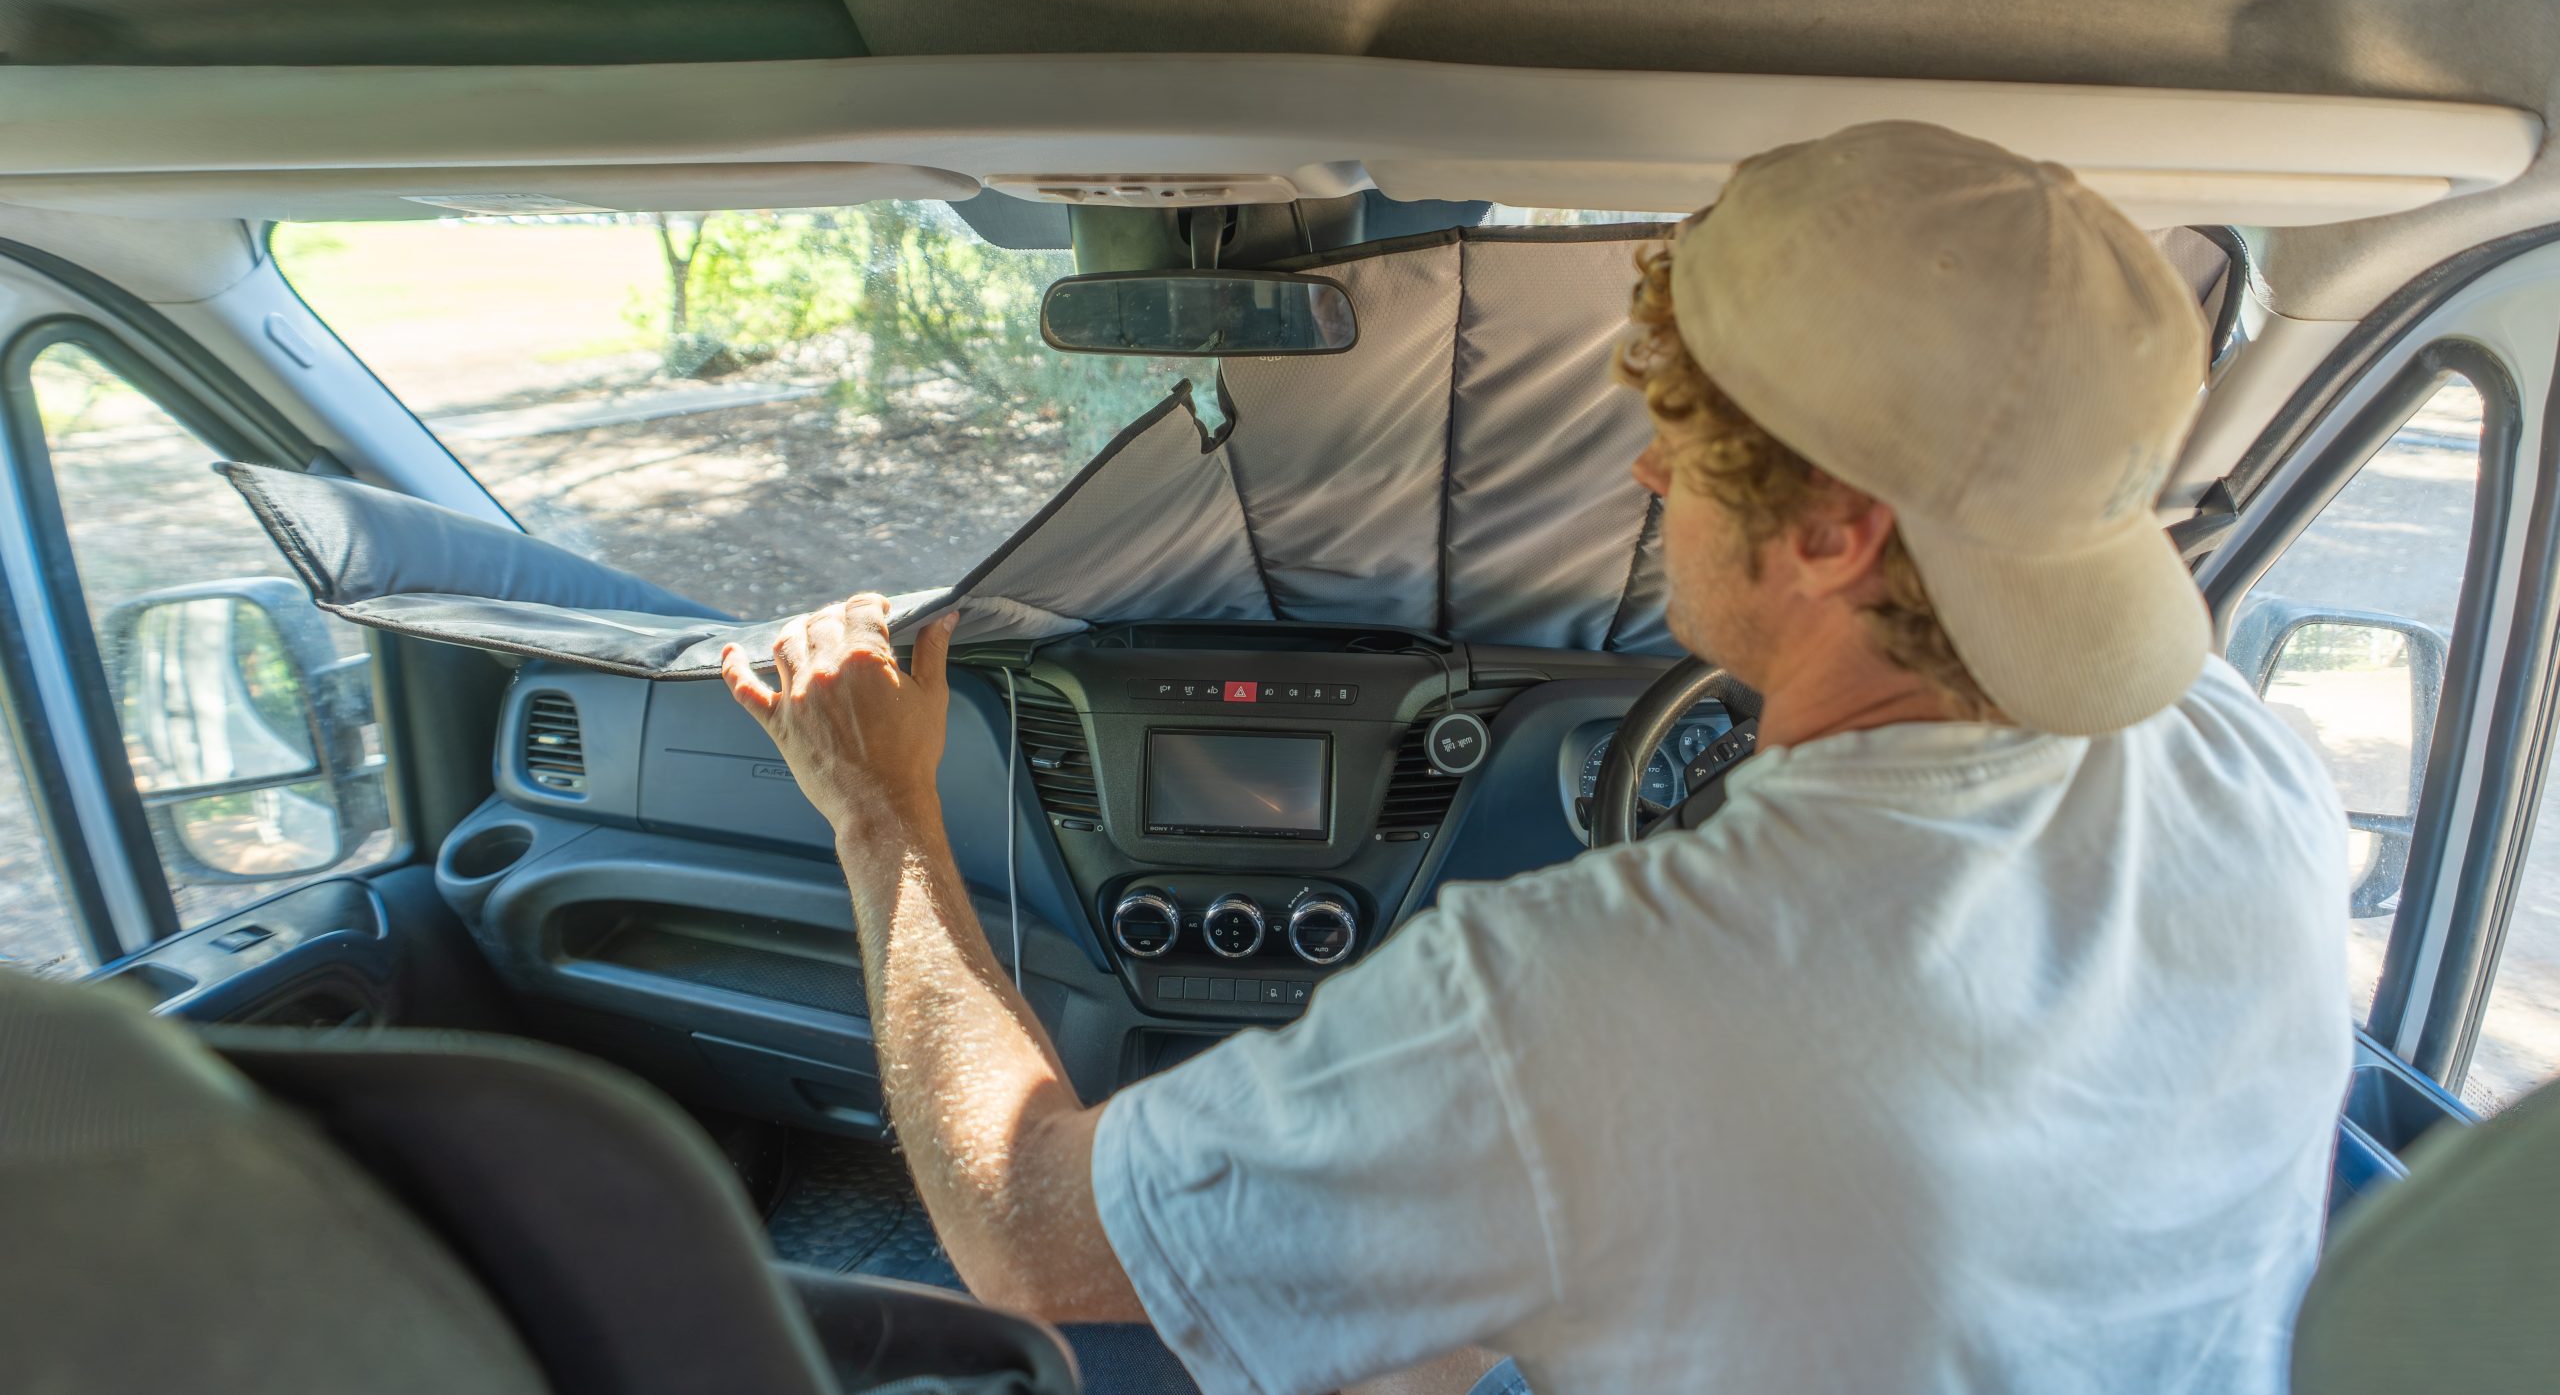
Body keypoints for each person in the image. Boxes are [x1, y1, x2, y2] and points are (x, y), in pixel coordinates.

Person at [721, 122, 2352, 1395]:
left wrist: (882, 808)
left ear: (1836, 533)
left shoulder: (1587, 998)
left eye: (1679, 436)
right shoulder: (2251, 770)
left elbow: (1028, 1232)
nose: (1645, 475)